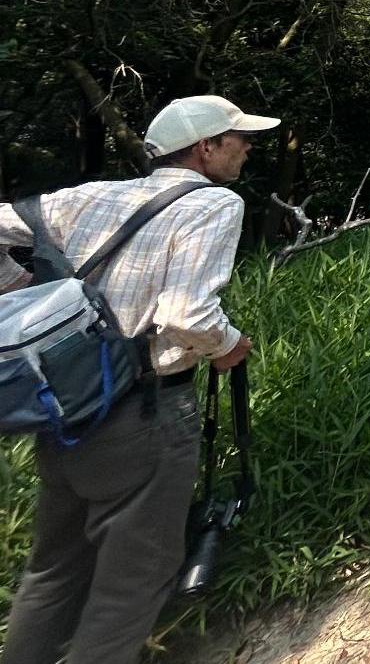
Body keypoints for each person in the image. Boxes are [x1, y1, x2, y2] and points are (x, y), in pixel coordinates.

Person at [0, 95, 269, 664]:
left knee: (52, 574)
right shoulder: (214, 205)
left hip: (65, 413)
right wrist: (227, 347)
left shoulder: (98, 195)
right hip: (145, 414)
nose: (247, 147)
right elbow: (186, 316)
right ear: (206, 147)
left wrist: (26, 293)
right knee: (132, 585)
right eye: (238, 138)